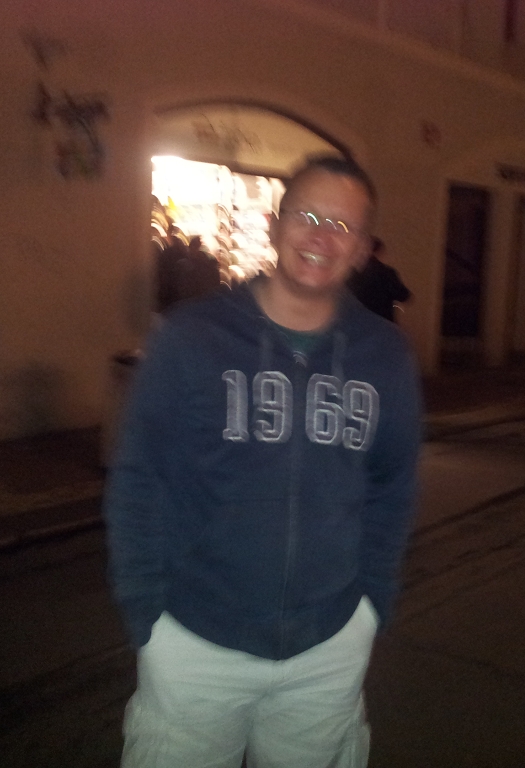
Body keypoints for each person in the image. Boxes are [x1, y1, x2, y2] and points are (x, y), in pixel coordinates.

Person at [104, 155, 421, 768]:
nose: (322, 237)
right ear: (276, 225)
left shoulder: (384, 355)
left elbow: (392, 487)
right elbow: (140, 477)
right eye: (307, 216)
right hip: (195, 642)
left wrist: (371, 606)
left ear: (362, 249)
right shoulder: (193, 336)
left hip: (328, 646)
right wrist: (148, 615)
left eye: (343, 226)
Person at [346, 237, 411, 321]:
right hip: (382, 319)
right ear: (378, 251)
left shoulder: (350, 273)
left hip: (356, 320)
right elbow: (403, 296)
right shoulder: (387, 272)